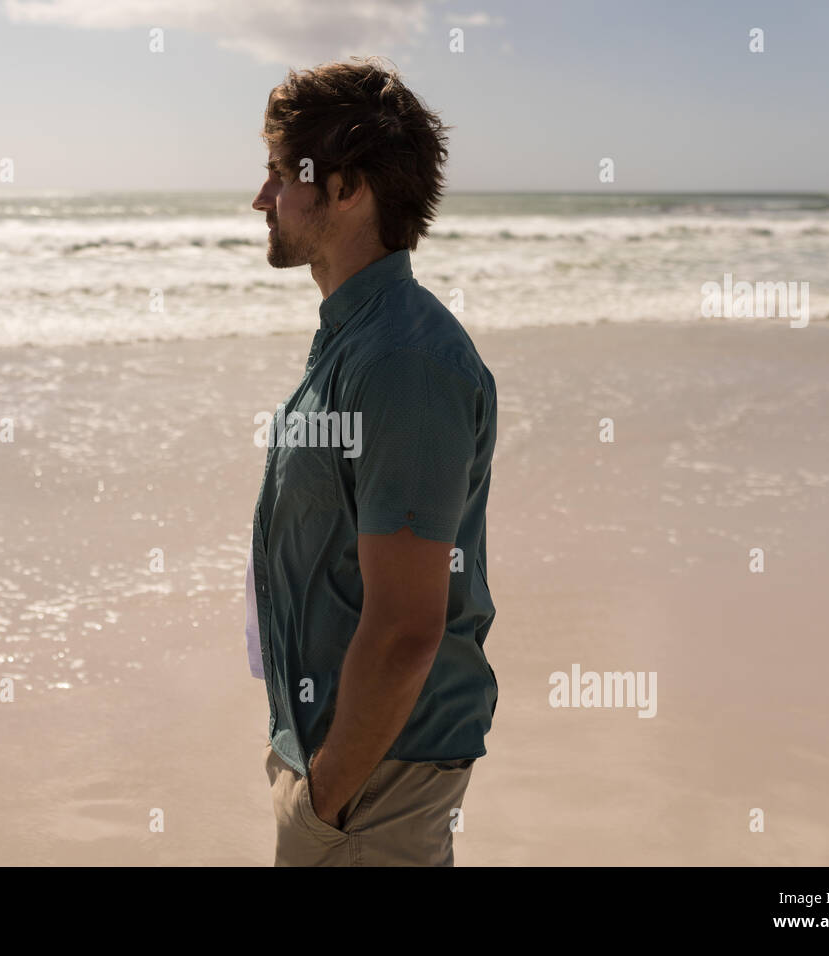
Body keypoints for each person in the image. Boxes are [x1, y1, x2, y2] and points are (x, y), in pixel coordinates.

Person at [244, 57, 499, 866]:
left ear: (347, 188)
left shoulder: (402, 361)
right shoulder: (355, 340)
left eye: (283, 174)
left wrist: (324, 799)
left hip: (373, 783)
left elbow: (405, 629)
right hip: (348, 769)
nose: (262, 199)